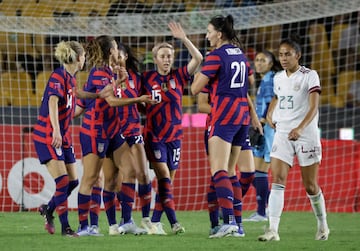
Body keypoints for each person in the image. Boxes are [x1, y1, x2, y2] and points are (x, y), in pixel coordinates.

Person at [76, 35, 156, 236]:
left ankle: (126, 222)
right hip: (96, 132)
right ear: (110, 51)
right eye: (114, 47)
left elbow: (105, 94)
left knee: (130, 172)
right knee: (93, 178)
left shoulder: (112, 73)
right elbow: (110, 101)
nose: (116, 49)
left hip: (114, 131)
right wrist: (138, 98)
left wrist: (120, 80)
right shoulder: (99, 72)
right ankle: (85, 226)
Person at [33, 40, 112, 237]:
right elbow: (52, 101)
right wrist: (57, 131)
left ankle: (48, 208)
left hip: (64, 136)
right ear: (78, 58)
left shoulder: (71, 78)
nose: (85, 58)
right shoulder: (58, 76)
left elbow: (77, 94)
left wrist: (98, 95)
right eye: (83, 55)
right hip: (48, 135)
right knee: (62, 182)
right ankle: (65, 228)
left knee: (73, 182)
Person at [258, 38, 330, 242]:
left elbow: (314, 106)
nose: (283, 58)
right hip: (282, 133)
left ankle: (322, 225)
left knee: (310, 186)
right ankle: (272, 230)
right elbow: (277, 97)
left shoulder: (310, 76)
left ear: (297, 55)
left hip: (306, 134)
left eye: (288, 54)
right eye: (281, 54)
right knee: (278, 180)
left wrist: (299, 128)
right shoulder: (278, 78)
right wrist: (271, 114)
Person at [191, 14, 255, 238]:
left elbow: (195, 89)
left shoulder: (216, 56)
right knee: (231, 172)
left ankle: (227, 222)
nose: (207, 36)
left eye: (209, 32)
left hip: (224, 116)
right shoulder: (241, 55)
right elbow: (249, 83)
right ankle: (238, 225)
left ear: (219, 33)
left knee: (218, 170)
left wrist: (202, 66)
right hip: (241, 116)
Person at [141, 21, 203, 235]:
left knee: (167, 183)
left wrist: (184, 39)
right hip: (154, 136)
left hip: (175, 137)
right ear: (155, 58)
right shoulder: (146, 78)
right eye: (163, 56)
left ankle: (155, 222)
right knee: (165, 179)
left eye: (169, 55)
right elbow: (139, 103)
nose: (167, 59)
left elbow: (199, 59)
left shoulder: (179, 76)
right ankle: (174, 222)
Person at [112, 42, 155, 235]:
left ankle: (145, 218)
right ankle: (122, 221)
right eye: (114, 57)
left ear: (126, 56)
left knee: (143, 174)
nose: (117, 60)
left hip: (133, 130)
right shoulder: (108, 77)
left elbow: (146, 101)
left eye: (119, 56)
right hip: (115, 131)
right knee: (120, 177)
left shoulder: (136, 78)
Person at [244, 50, 281, 222]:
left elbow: (274, 100)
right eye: (257, 60)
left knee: (259, 171)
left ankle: (262, 211)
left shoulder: (270, 80)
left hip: (266, 130)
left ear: (271, 63)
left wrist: (265, 119)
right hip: (263, 128)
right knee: (257, 172)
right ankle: (263, 209)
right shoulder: (266, 79)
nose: (258, 63)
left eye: (262, 60)